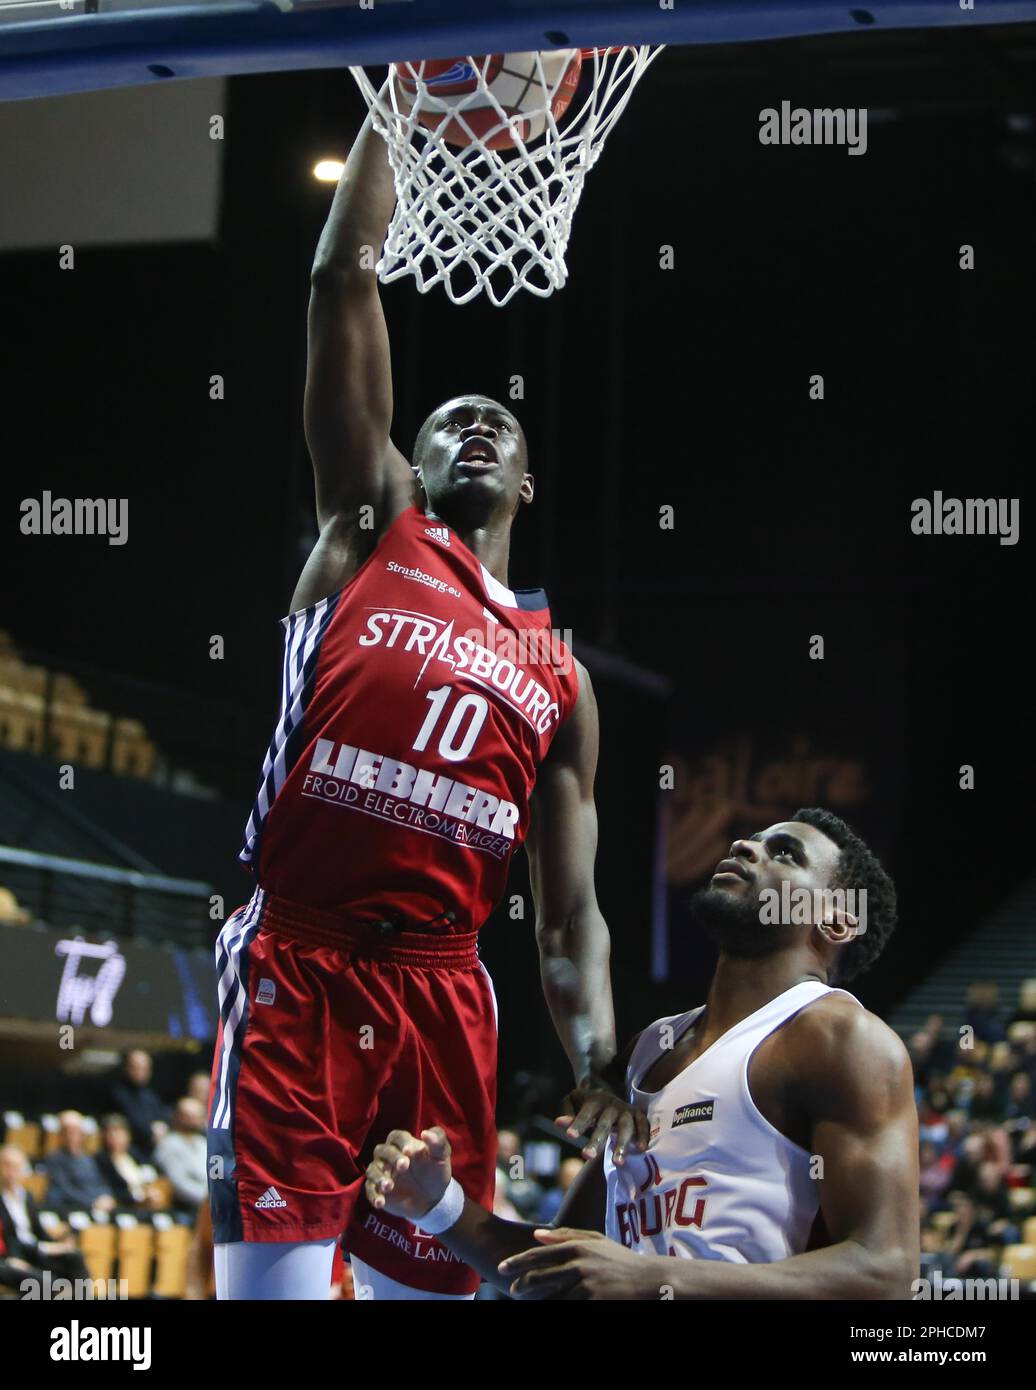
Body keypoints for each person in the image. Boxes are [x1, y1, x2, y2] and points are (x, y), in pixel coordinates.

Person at [207, 112, 642, 1301]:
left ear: (528, 479)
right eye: (447, 418)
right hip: (302, 955)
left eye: (496, 420)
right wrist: (402, 107)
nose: (474, 424)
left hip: (448, 990)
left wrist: (597, 1052)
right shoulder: (372, 531)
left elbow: (567, 918)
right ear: (411, 453)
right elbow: (339, 277)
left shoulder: (561, 672)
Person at [366, 810, 920, 1299]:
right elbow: (560, 1273)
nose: (746, 847)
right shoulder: (649, 1050)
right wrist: (439, 1204)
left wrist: (652, 1278)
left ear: (837, 919)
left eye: (784, 853)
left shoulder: (842, 1039)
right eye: (752, 839)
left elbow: (885, 1272)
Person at [0, 1144, 89, 1289]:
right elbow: (8, 1239)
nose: (11, 1172)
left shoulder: (26, 1196)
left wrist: (59, 1244)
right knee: (50, 1284)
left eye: (16, 1167)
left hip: (34, 1253)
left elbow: (38, 1231)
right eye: (7, 1166)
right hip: (14, 1256)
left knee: (75, 1257)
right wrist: (45, 1248)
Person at [43, 1112, 115, 1220]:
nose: (72, 1137)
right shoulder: (55, 1158)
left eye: (76, 1132)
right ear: (61, 1135)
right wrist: (92, 1202)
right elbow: (64, 1189)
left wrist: (106, 1197)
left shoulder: (88, 1158)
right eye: (68, 1132)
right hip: (73, 1208)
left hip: (97, 1207)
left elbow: (100, 1182)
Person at [103, 1050, 168, 1158]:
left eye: (144, 1069)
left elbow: (161, 1117)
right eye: (135, 1068)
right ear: (126, 1068)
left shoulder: (150, 1096)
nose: (139, 1072)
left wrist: (161, 1128)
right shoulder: (116, 1093)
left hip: (153, 1148)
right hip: (128, 1149)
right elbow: (133, 1122)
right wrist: (151, 1131)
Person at [155, 1099, 208, 1217]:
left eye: (198, 1116)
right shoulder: (169, 1144)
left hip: (210, 1203)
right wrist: (209, 1199)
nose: (194, 1120)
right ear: (178, 1117)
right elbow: (178, 1185)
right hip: (184, 1207)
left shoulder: (203, 1143)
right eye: (189, 1116)